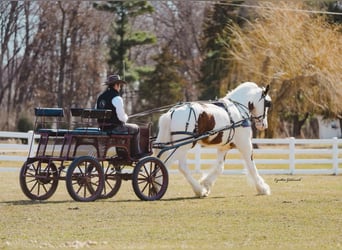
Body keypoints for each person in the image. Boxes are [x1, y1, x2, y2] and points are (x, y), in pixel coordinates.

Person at [96, 74, 142, 158]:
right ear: (116, 85)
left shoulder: (100, 97)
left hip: (103, 128)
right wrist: (126, 118)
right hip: (114, 128)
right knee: (136, 128)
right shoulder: (117, 98)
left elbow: (97, 112)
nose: (120, 87)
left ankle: (122, 153)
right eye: (119, 85)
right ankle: (136, 153)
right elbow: (122, 118)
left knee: (127, 127)